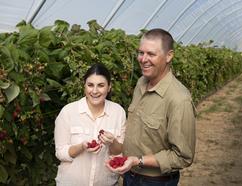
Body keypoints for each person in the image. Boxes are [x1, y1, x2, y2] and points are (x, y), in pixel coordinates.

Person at [106, 28, 196, 186]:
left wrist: (138, 160)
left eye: (151, 54)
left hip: (154, 182)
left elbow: (183, 156)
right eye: (141, 53)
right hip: (130, 175)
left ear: (169, 56)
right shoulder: (141, 82)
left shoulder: (178, 99)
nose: (143, 59)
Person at [54, 63, 126, 186]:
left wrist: (112, 142)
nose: (95, 91)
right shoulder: (68, 112)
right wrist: (81, 147)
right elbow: (61, 153)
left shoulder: (118, 112)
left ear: (109, 87)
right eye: (90, 85)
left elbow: (119, 151)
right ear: (84, 86)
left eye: (101, 85)